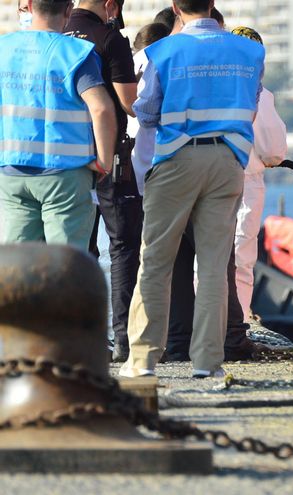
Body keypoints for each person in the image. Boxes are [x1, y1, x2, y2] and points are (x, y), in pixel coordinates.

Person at [121, 0, 265, 379]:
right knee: (216, 266)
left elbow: (147, 112)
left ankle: (142, 361)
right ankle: (207, 363)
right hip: (229, 161)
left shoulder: (162, 50)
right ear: (213, 4)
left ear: (174, 6)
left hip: (177, 157)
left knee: (155, 261)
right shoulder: (250, 50)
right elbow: (251, 105)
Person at [0, 0, 116, 251]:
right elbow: (101, 108)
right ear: (68, 10)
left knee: (17, 269)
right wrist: (104, 162)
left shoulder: (3, 48)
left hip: (12, 170)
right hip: (65, 175)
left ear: (29, 6)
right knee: (65, 268)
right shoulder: (77, 53)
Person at [64, 0, 144, 363]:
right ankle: (124, 341)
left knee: (78, 246)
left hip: (65, 155)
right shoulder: (111, 39)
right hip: (108, 155)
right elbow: (129, 102)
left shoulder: (58, 36)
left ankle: (84, 338)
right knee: (123, 245)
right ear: (111, 6)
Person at [229, 26, 288, 319]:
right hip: (246, 182)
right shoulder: (260, 94)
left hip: (202, 174)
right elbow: (274, 150)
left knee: (205, 255)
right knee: (242, 256)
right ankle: (238, 319)